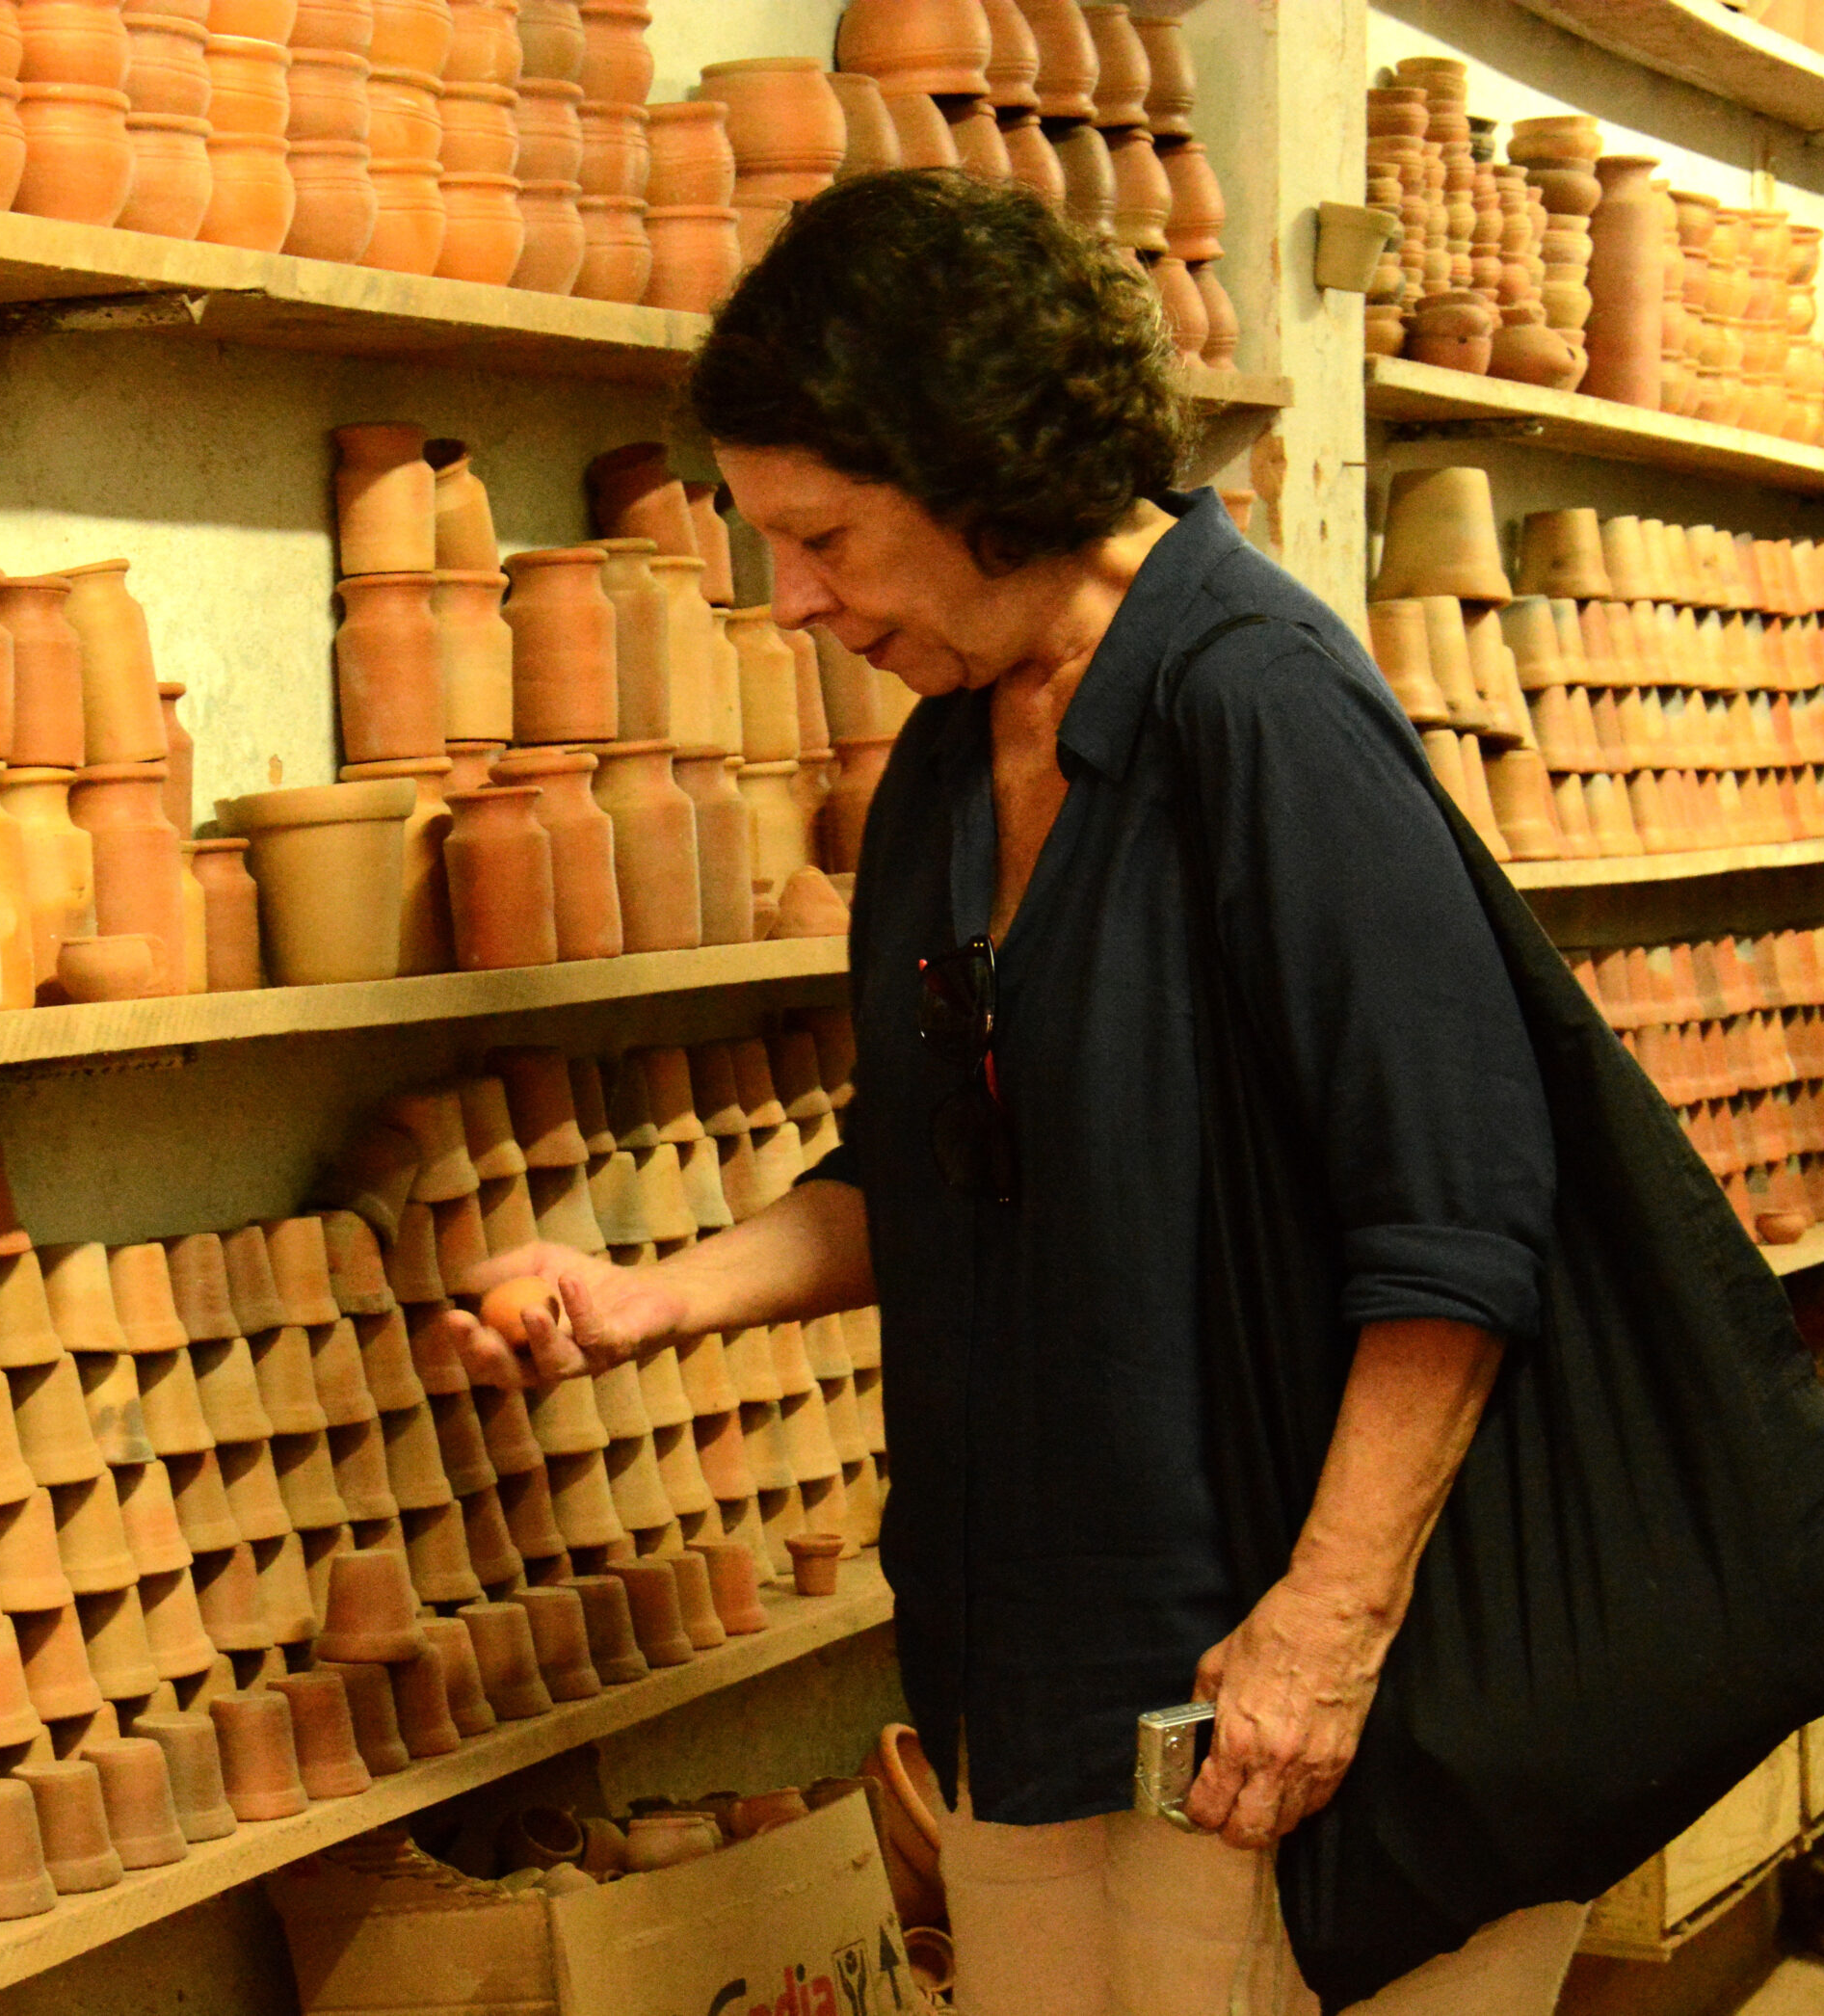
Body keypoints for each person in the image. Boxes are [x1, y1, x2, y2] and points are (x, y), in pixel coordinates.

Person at [442, 172, 1589, 2015]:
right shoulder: (949, 768)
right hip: (1034, 1663)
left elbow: (1455, 1215)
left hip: (1278, 1684)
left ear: (983, 469)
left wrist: (1330, 1623)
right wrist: (659, 1296)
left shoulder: (1261, 707)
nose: (794, 597)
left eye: (826, 535)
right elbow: (933, 1166)